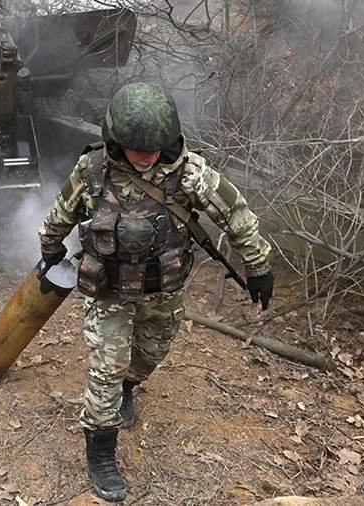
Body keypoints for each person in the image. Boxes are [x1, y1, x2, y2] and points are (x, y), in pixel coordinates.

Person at [38, 82, 274, 501]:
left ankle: (130, 387)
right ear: (116, 140)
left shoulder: (190, 173)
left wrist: (258, 267)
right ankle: (101, 452)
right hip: (108, 292)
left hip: (163, 291)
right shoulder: (93, 170)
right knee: (106, 370)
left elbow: (236, 214)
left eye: (153, 148)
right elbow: (62, 211)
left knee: (151, 353)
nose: (146, 156)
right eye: (137, 149)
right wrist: (50, 249)